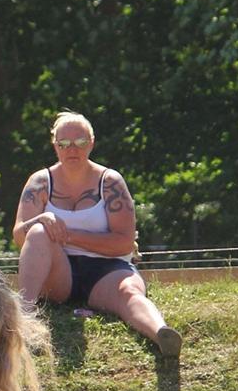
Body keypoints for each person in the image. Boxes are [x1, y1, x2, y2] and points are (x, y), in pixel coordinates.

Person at [12, 111, 182, 357]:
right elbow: (20, 236)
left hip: (107, 270)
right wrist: (42, 220)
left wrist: (67, 234)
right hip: (60, 274)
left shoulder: (110, 182)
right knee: (37, 231)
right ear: (55, 145)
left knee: (129, 293)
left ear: (91, 143)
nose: (72, 149)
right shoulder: (40, 182)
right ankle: (23, 319)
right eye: (64, 143)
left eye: (80, 142)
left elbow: (124, 244)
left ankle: (161, 333)